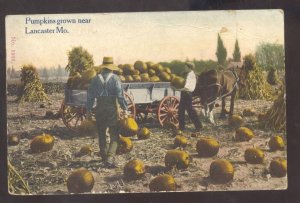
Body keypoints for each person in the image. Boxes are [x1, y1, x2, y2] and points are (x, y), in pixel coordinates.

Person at [86, 57, 128, 168]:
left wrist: (89, 110)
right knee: (114, 134)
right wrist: (125, 109)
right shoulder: (115, 79)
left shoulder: (95, 79)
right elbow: (120, 96)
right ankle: (110, 157)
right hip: (111, 108)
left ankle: (104, 157)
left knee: (101, 133)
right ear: (111, 68)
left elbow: (90, 96)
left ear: (103, 67)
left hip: (99, 108)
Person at [177, 62, 202, 132]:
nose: (185, 68)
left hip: (187, 94)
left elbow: (187, 88)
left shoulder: (191, 75)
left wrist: (177, 89)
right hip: (185, 94)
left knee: (190, 111)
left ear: (189, 68)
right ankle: (181, 127)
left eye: (186, 67)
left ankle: (198, 126)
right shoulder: (189, 74)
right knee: (181, 111)